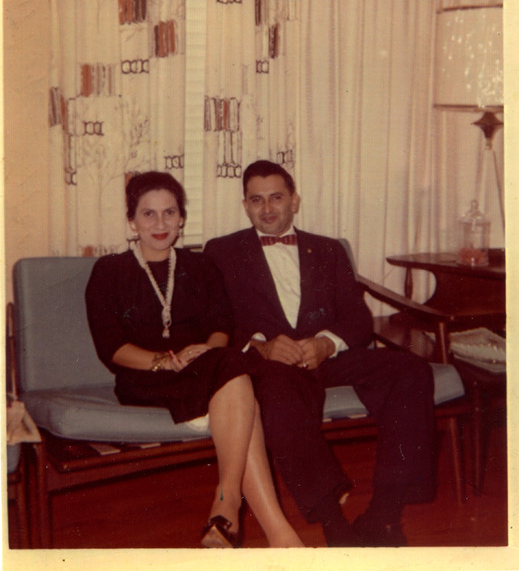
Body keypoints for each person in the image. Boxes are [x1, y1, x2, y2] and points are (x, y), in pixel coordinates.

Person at [205, 160, 436, 547]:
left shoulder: (328, 249)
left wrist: (327, 343)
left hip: (329, 357)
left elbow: (357, 317)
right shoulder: (221, 252)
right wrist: (261, 346)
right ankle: (334, 523)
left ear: (294, 200)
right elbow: (216, 319)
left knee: (410, 370)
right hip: (273, 365)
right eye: (256, 200)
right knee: (278, 393)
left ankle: (385, 513)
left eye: (276, 197)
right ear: (245, 205)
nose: (267, 209)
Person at [85, 171, 303, 549]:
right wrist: (163, 362)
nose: (160, 223)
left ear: (182, 219)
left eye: (169, 212)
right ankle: (233, 504)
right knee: (237, 380)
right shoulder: (110, 271)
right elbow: (111, 348)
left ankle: (247, 523)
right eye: (148, 214)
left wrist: (206, 349)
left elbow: (221, 326)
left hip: (203, 368)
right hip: (146, 376)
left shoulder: (200, 266)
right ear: (131, 222)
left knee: (231, 371)